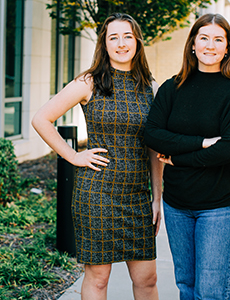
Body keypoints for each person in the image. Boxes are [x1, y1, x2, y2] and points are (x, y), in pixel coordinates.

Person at [32, 13, 164, 300]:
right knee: (99, 278)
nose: (121, 43)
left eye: (127, 36)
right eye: (113, 37)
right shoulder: (88, 82)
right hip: (97, 194)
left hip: (138, 195)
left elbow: (153, 148)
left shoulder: (150, 87)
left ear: (137, 41)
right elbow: (41, 118)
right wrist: (73, 156)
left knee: (147, 279)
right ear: (104, 44)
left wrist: (157, 197)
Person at [144, 13, 230, 300]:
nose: (210, 45)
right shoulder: (172, 87)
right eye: (204, 37)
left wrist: (179, 158)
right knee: (186, 284)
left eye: (219, 39)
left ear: (227, 48)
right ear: (192, 44)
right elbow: (152, 134)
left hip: (221, 206)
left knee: (210, 291)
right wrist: (201, 142)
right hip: (178, 205)